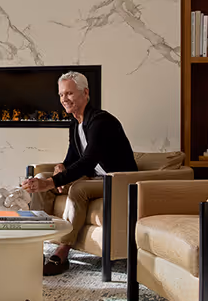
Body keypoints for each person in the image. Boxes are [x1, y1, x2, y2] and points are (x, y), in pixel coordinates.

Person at [21, 71, 137, 276]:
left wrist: (52, 182)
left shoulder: (101, 121)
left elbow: (88, 161)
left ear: (85, 93)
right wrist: (59, 168)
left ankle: (62, 253)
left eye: (69, 94)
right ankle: (34, 247)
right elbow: (72, 159)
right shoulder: (75, 124)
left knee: (78, 188)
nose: (64, 99)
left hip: (116, 179)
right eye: (61, 95)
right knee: (40, 178)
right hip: (94, 177)